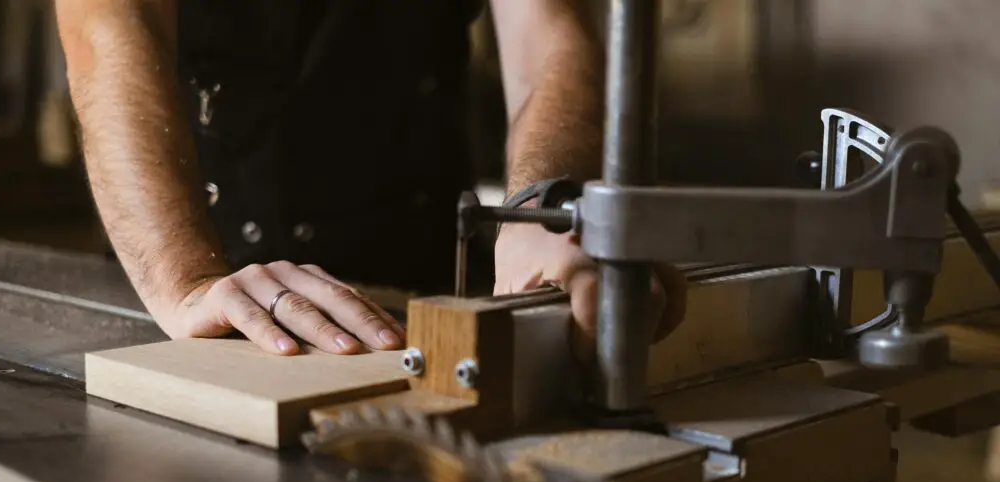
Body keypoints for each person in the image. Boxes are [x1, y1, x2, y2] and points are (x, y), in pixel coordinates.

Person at [56, 0, 684, 358]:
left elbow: (550, 36)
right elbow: (107, 26)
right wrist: (184, 278)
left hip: (423, 275)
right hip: (198, 276)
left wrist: (544, 208)